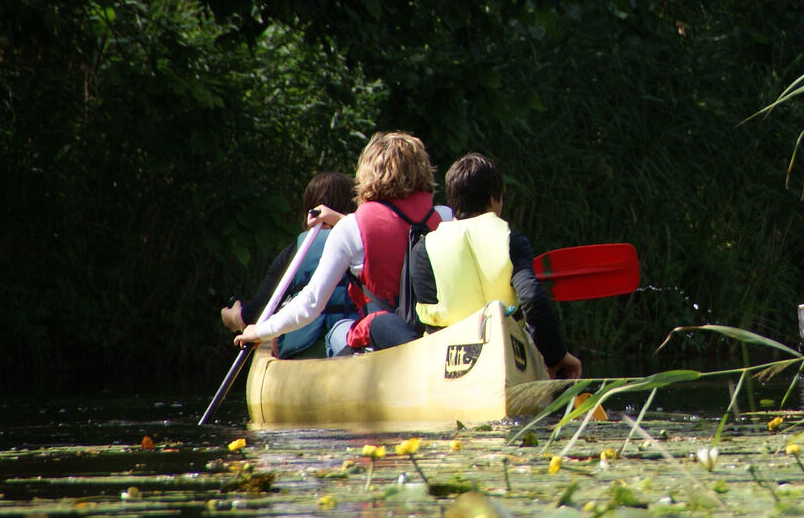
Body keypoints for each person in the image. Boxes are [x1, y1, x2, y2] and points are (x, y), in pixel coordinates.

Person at [235, 131, 450, 354]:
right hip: (434, 337)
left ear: (368, 173)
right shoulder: (445, 217)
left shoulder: (352, 229)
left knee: (340, 329)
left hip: (384, 344)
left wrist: (260, 331)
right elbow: (402, 227)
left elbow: (310, 303)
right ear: (423, 169)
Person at [406, 152, 582, 378]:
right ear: (492, 199)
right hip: (509, 361)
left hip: (447, 365)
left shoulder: (423, 249)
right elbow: (532, 298)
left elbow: (423, 320)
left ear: (452, 202)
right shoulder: (511, 240)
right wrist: (556, 356)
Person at [220, 171, 358, 357]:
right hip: (354, 346)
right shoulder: (364, 245)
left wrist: (234, 317)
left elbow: (257, 315)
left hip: (306, 353)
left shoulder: (295, 253)